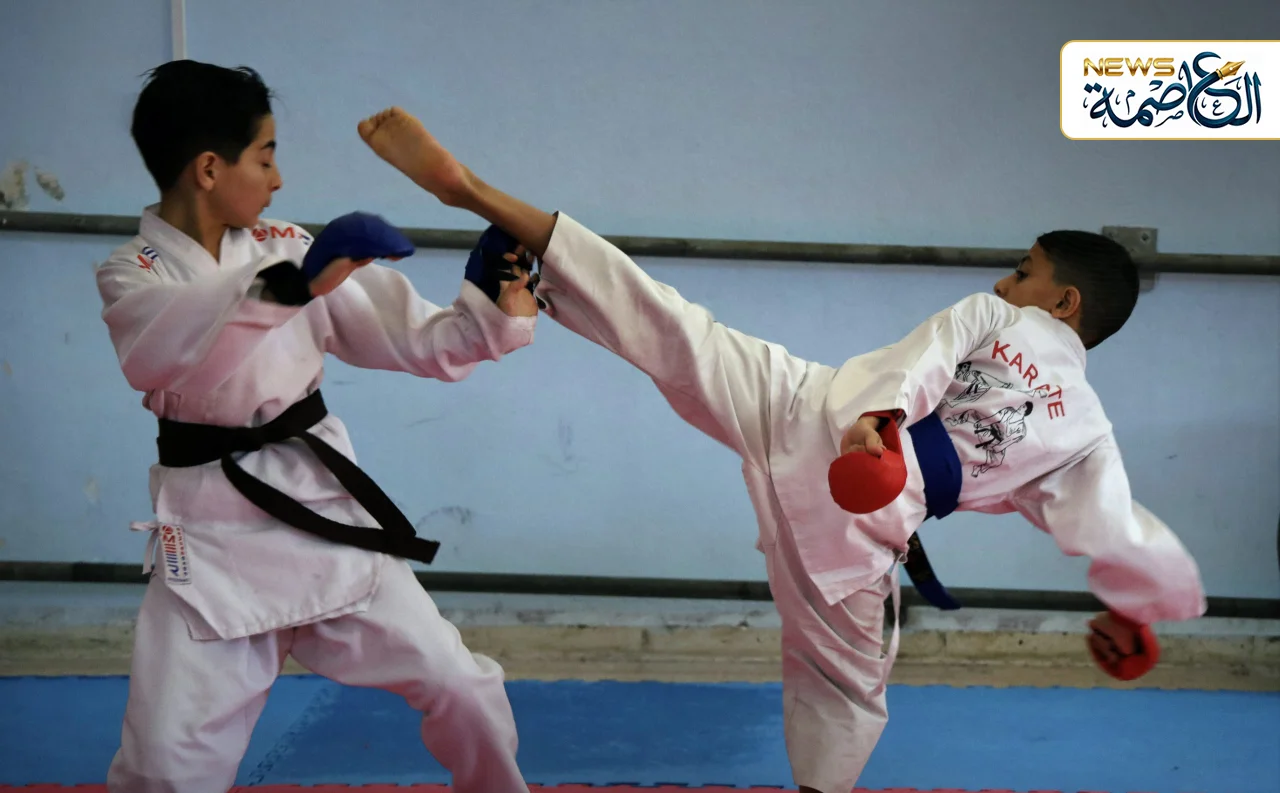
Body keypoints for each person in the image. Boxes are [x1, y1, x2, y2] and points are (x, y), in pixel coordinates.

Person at [354, 106, 1207, 793]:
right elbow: (1118, 528)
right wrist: (1138, 614)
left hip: (807, 408)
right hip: (859, 504)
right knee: (846, 685)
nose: (1002, 281)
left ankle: (489, 211)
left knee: (665, 321)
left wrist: (875, 418)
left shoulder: (996, 316)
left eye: (1022, 270)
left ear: (1062, 301)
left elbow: (932, 351)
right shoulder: (1086, 431)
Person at [96, 64, 538, 793]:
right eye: (264, 156)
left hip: (323, 515)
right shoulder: (134, 273)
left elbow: (415, 339)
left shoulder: (289, 245)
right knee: (163, 771)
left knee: (462, 686)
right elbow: (166, 355)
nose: (278, 179)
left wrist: (489, 309)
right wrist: (289, 286)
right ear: (209, 169)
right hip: (211, 544)